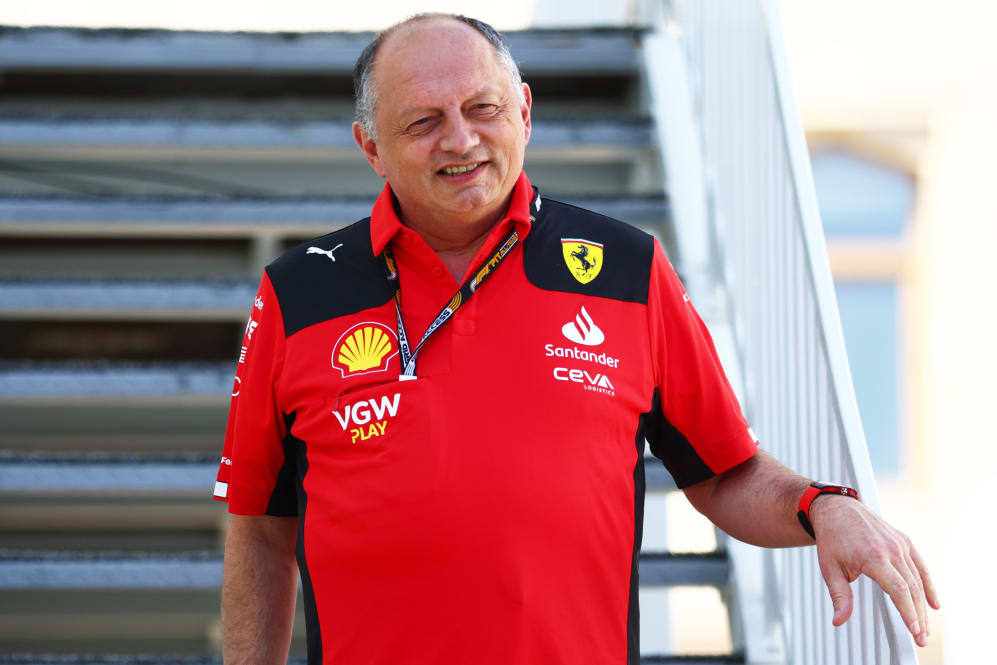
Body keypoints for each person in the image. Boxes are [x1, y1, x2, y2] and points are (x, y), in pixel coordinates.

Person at [213, 13, 938, 665]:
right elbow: (260, 529)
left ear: (523, 112)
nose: (460, 139)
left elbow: (723, 470)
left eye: (482, 108)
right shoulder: (297, 294)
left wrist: (825, 505)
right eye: (422, 122)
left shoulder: (626, 269)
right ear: (370, 147)